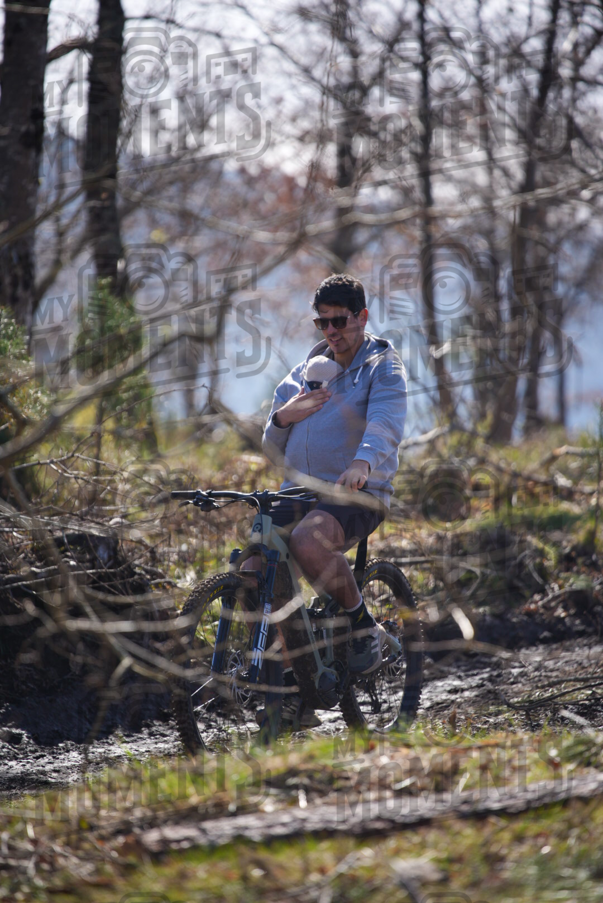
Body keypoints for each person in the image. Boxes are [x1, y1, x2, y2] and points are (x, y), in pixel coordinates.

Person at [260, 274, 407, 717]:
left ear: (362, 317)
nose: (330, 332)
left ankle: (364, 628)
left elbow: (385, 421)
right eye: (321, 323)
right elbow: (270, 448)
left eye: (339, 321)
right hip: (300, 491)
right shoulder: (304, 373)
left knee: (308, 541)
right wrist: (283, 419)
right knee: (256, 563)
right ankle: (298, 689)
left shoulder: (383, 364)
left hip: (358, 490)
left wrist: (363, 463)